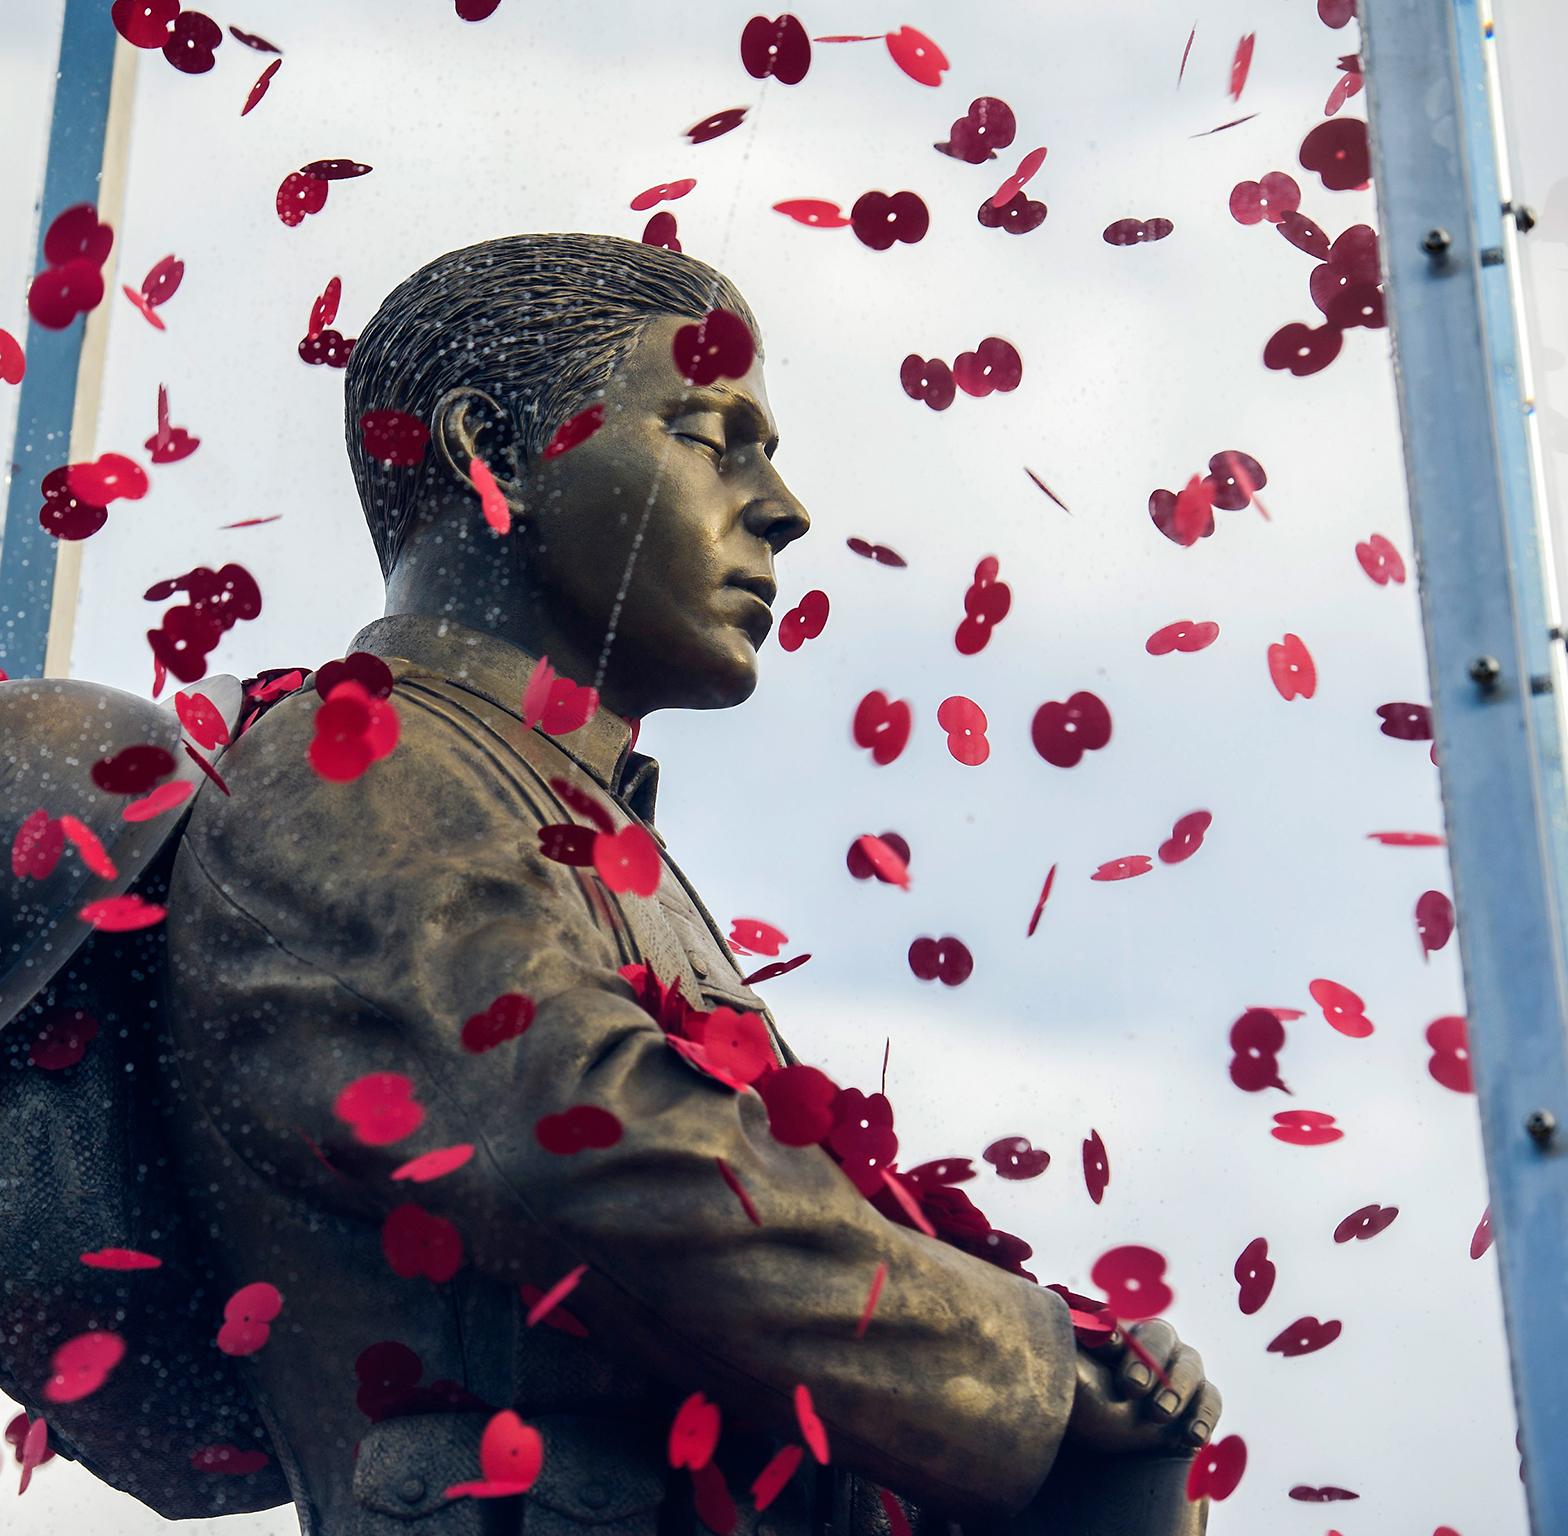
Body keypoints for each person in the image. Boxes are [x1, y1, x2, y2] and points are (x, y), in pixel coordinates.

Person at [153, 231, 1224, 1535]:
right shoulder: (364, 756)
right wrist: (1028, 1369)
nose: (783, 506)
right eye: (714, 436)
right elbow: (573, 1141)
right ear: (491, 453)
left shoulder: (566, 808)